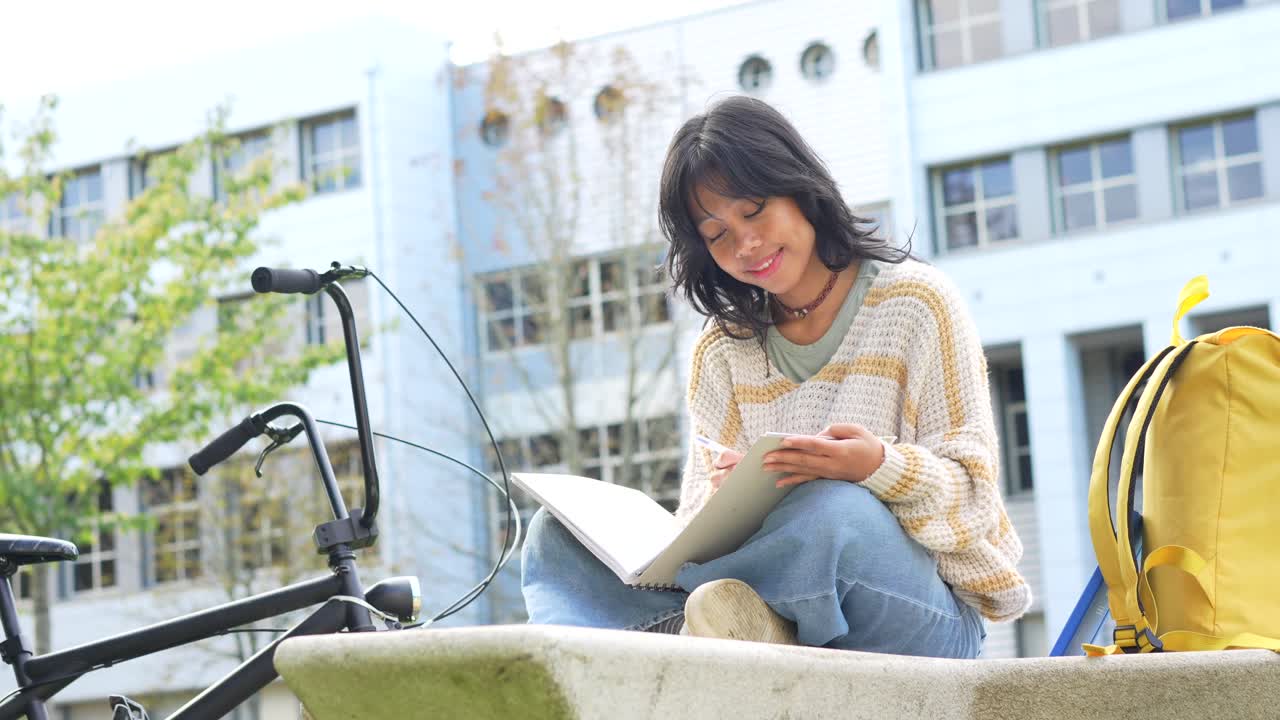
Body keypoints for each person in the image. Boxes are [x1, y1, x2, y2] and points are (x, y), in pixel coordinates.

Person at [521, 95, 1031, 657]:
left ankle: (697, 643)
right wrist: (727, 504)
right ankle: (636, 654)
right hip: (749, 597)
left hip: (919, 614)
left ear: (800, 189)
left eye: (754, 210)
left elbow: (975, 499)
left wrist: (875, 468)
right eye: (717, 235)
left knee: (833, 511)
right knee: (553, 536)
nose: (746, 244)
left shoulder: (917, 303)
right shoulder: (722, 349)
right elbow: (694, 534)